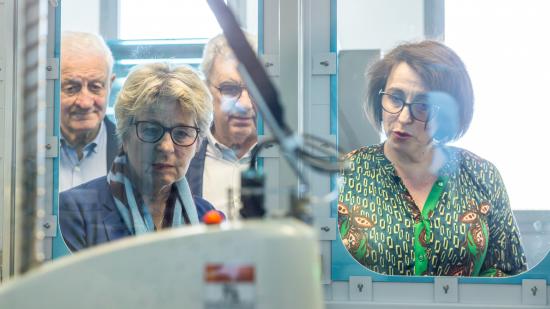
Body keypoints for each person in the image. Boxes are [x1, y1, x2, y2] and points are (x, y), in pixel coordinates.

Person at [338, 40, 527, 276]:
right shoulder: (345, 174)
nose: (404, 117)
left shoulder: (481, 175)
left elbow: (510, 274)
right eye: (395, 98)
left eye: (423, 106)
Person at [60, 63, 218, 252]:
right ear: (125, 135)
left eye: (182, 133)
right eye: (151, 130)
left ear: (198, 143)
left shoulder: (208, 217)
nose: (166, 147)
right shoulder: (74, 212)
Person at [186, 33, 258, 217]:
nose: (245, 104)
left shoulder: (286, 160)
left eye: (255, 88)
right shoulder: (182, 157)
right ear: (205, 91)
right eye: (229, 89)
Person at [59, 31, 119, 192]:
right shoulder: (24, 150)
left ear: (110, 85)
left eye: (95, 87)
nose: (85, 103)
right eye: (71, 88)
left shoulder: (132, 154)